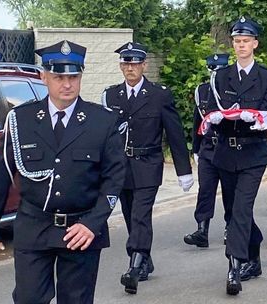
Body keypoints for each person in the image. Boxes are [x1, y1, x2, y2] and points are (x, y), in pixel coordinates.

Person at [0, 40, 126, 304]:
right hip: (34, 226)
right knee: (28, 298)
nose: (67, 84)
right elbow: (1, 175)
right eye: (58, 76)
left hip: (81, 228)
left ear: (80, 77)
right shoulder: (21, 119)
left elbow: (113, 180)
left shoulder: (103, 121)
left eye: (73, 77)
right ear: (44, 77)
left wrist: (92, 224)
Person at [101, 42, 193, 294]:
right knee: (131, 214)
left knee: (141, 214)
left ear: (144, 65)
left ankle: (135, 264)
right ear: (121, 67)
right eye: (125, 63)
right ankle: (146, 259)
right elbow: (105, 136)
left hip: (148, 164)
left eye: (134, 63)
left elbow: (174, 133)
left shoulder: (159, 95)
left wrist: (184, 170)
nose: (130, 68)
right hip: (121, 166)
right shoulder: (111, 95)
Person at [207, 16, 267, 295]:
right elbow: (212, 109)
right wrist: (214, 118)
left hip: (253, 151)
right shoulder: (221, 76)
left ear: (255, 44)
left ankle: (234, 265)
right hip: (226, 150)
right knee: (232, 211)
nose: (241, 46)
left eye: (246, 41)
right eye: (237, 41)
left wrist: (261, 118)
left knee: (240, 209)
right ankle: (254, 248)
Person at [184, 53, 233, 247]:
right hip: (208, 148)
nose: (215, 73)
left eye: (219, 69)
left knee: (230, 191)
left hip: (227, 148)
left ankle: (231, 227)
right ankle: (202, 229)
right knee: (205, 190)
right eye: (212, 69)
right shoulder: (202, 91)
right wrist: (196, 148)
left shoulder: (232, 90)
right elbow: (198, 121)